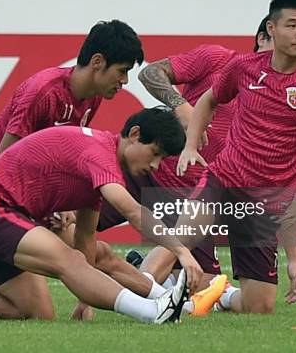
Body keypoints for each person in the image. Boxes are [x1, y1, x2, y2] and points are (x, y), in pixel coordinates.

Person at [0, 108, 207, 323]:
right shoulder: (99, 153)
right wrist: (181, 250)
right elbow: (131, 211)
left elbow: (86, 235)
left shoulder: (103, 164)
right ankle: (152, 312)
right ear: (134, 134)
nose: (155, 166)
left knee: (34, 313)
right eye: (155, 154)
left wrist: (86, 299)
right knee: (66, 260)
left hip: (1, 213)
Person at [179, 0, 296, 313]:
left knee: (259, 307)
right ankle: (142, 301)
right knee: (181, 237)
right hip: (224, 178)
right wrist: (191, 143)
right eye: (293, 25)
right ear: (271, 28)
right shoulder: (243, 67)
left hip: (265, 201)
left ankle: (221, 295)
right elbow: (208, 100)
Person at [93, 16, 274, 301]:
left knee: (204, 284)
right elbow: (150, 73)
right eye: (282, 42)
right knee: (65, 223)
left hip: (196, 194)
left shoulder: (276, 101)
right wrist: (182, 106)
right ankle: (136, 292)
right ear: (263, 37)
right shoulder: (217, 59)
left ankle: (139, 277)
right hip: (152, 167)